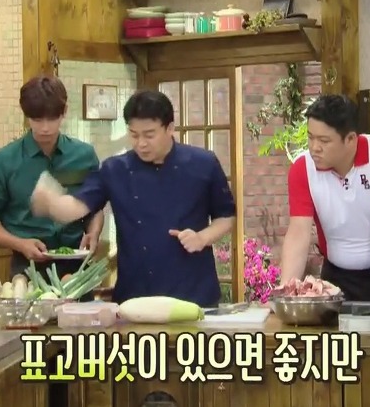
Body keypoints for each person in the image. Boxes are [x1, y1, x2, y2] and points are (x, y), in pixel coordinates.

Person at [30, 89, 236, 307]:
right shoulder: (115, 169)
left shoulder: (203, 163)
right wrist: (52, 203)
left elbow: (227, 217)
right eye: (134, 135)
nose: (141, 143)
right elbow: (78, 206)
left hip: (194, 293)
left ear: (170, 128)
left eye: (149, 135)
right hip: (135, 295)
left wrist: (201, 238)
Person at [278, 95, 370, 304]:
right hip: (339, 276)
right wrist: (286, 291)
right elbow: (298, 233)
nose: (314, 147)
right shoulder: (302, 168)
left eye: (324, 141)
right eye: (310, 137)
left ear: (350, 139)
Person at [0, 74, 103, 283]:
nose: (45, 128)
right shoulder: (3, 161)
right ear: (26, 115)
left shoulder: (84, 155)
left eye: (52, 119)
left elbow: (94, 207)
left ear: (64, 112)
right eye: (37, 120)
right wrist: (20, 244)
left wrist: (94, 232)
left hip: (77, 266)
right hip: (27, 267)